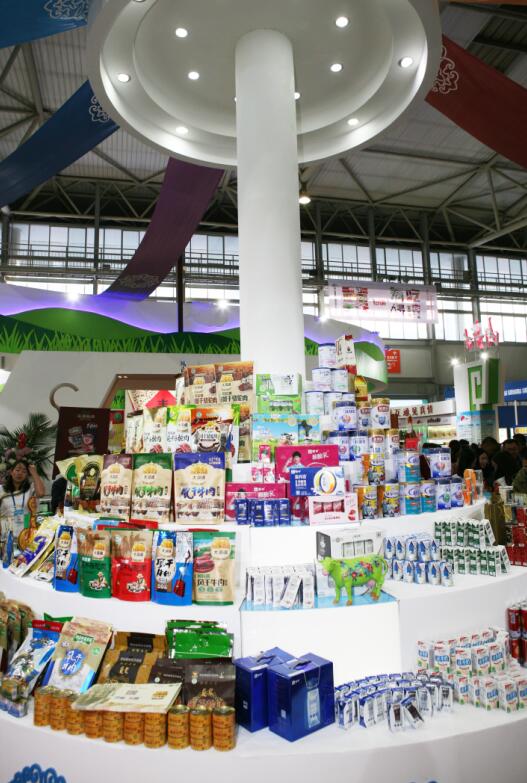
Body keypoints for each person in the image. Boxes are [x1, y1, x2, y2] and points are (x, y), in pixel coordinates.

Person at [0, 460, 45, 561]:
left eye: (24, 471)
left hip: (26, 535)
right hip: (6, 535)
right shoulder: (1, 490)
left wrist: (34, 472)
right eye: (17, 470)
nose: (20, 473)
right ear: (11, 472)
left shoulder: (30, 489)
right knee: (6, 564)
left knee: (23, 564)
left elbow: (41, 493)